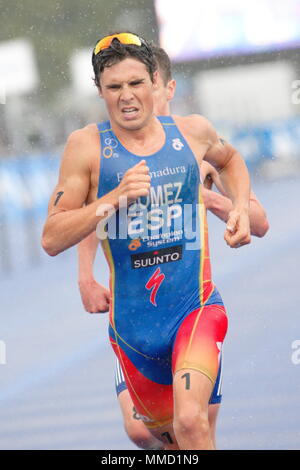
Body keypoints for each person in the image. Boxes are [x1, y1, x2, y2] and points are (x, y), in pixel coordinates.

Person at [42, 32, 253, 450]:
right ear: (100, 91)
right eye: (114, 87)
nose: (127, 96)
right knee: (160, 439)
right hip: (134, 330)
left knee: (193, 422)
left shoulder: (192, 133)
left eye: (136, 83)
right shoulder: (86, 147)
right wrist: (113, 199)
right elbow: (51, 237)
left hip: (196, 308)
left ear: (155, 81)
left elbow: (230, 160)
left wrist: (241, 207)